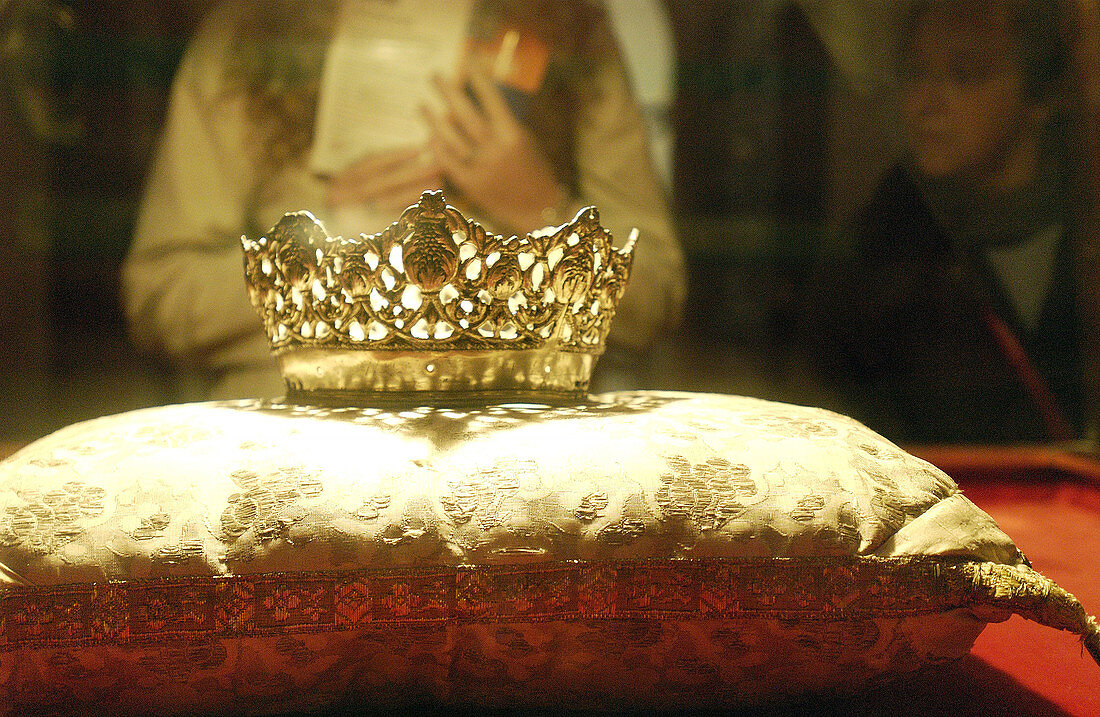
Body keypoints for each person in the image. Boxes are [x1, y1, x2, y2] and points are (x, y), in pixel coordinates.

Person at [122, 0, 685, 400]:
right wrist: (328, 254)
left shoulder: (566, 31)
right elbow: (161, 294)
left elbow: (656, 293)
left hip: (515, 427)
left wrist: (541, 211)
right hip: (303, 425)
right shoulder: (250, 35)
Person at [805, 0, 1098, 444]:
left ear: (1039, 95)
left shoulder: (1086, 212)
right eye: (915, 73)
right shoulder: (881, 244)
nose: (927, 104)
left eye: (967, 75)